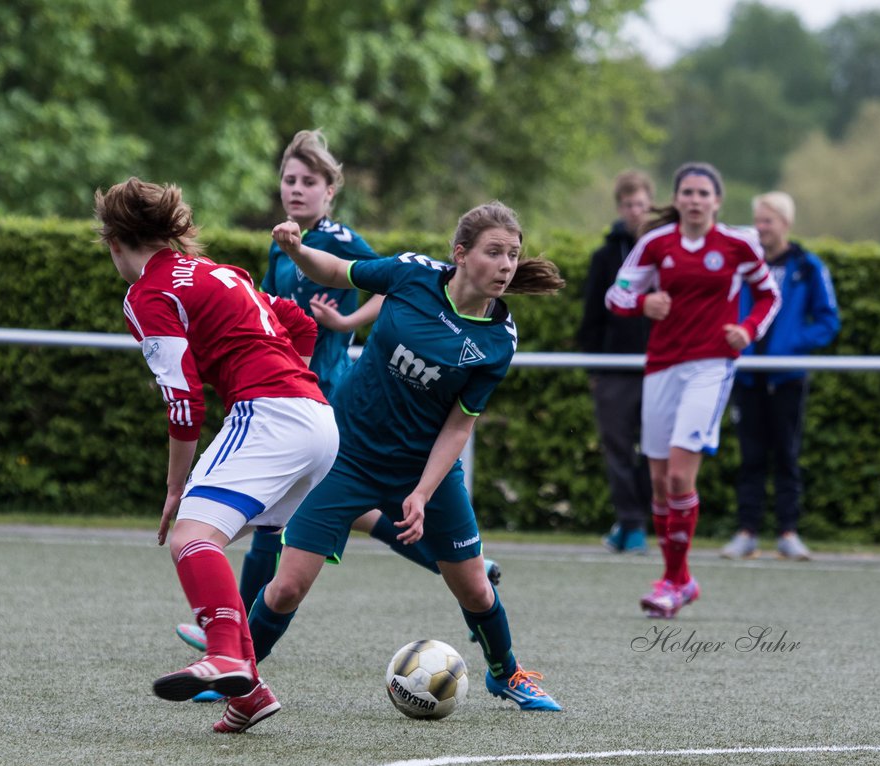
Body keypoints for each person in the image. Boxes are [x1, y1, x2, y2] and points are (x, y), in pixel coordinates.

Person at [175, 130, 500, 665]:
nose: (296, 189)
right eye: (289, 179)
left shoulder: (341, 240)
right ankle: (462, 567)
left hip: (323, 397)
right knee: (309, 517)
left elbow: (393, 285)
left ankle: (232, 639)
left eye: (310, 181)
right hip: (283, 391)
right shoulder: (283, 242)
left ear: (331, 191)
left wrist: (346, 320)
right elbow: (263, 307)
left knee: (276, 519)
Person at [240, 201, 566, 725]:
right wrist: (297, 250)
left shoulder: (497, 341)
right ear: (461, 254)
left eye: (513, 254)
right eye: (495, 252)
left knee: (476, 587)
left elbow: (459, 426)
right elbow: (338, 271)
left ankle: (505, 673)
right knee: (286, 586)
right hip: (346, 455)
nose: (507, 265)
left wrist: (422, 491)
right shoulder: (412, 274)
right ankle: (240, 669)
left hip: (423, 469)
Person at [95, 177, 339, 734]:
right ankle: (249, 693)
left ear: (114, 242)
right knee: (213, 543)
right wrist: (286, 378)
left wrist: (175, 486)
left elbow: (183, 400)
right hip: (318, 421)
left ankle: (226, 655)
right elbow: (300, 324)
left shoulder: (148, 294)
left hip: (272, 416)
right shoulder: (224, 273)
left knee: (191, 537)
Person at [606, 162, 780, 619]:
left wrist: (747, 329)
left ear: (717, 201)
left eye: (704, 193)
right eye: (688, 192)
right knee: (661, 485)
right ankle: (679, 581)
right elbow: (616, 295)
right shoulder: (654, 244)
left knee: (682, 476)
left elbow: (769, 296)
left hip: (710, 366)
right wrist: (645, 302)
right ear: (678, 198)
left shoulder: (738, 246)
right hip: (661, 368)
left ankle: (672, 581)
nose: (695, 199)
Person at [720, 192, 840, 561]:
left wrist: (791, 346)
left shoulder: (807, 266)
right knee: (750, 456)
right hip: (747, 376)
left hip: (787, 377)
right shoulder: (741, 264)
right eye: (757, 220)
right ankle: (747, 532)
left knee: (786, 455)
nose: (761, 228)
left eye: (768, 221)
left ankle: (788, 532)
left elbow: (828, 321)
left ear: (785, 224)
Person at [576, 169, 655, 554]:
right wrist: (594, 367)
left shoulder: (667, 252)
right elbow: (592, 316)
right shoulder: (605, 256)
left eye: (641, 204)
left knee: (657, 450)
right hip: (614, 369)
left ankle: (632, 520)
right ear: (619, 208)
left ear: (650, 204)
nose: (634, 211)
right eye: (628, 204)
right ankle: (631, 523)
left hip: (659, 366)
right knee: (618, 449)